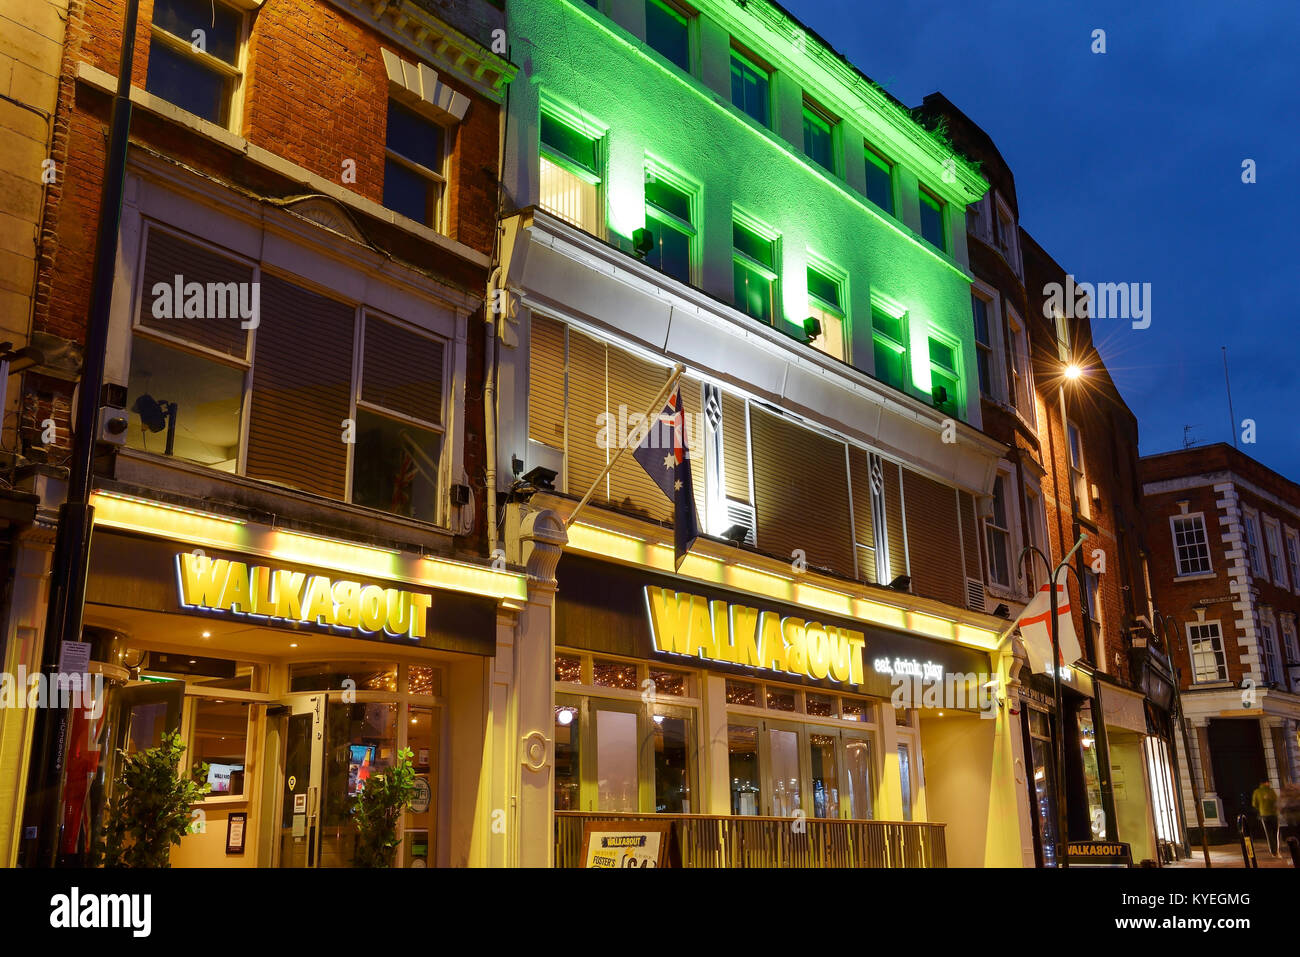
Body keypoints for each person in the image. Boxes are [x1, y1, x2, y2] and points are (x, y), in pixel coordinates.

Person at [1251, 780, 1278, 854]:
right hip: (1273, 814)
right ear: (1266, 783)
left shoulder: (1256, 792)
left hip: (1264, 815)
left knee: (1268, 833)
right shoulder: (1271, 791)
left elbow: (1254, 804)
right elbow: (1276, 801)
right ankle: (1276, 849)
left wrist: (1261, 808)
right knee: (1275, 833)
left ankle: (1273, 851)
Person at [1277, 783, 1300, 862]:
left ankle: (1295, 859)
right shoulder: (1296, 797)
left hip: (1289, 824)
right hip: (1294, 823)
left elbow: (1280, 809)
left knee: (1293, 843)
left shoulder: (1283, 798)